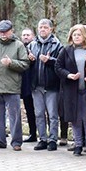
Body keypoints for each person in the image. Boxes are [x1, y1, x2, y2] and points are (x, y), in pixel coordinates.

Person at [0, 20, 29, 150]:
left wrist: (11, 63)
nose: (3, 34)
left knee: (14, 116)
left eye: (5, 32)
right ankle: (0, 141)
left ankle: (16, 142)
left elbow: (25, 64)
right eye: (1, 32)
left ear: (11, 31)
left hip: (12, 86)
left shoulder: (19, 45)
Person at [56, 24, 86, 156]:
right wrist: (68, 75)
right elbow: (58, 67)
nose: (76, 37)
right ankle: (78, 144)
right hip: (71, 90)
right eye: (74, 35)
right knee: (75, 118)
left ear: (85, 35)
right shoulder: (66, 50)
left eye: (79, 34)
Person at [29, 18, 62, 151]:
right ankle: (42, 138)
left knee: (53, 114)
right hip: (36, 85)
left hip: (51, 85)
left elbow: (61, 63)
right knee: (39, 114)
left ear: (50, 29)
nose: (42, 29)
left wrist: (50, 60)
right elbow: (27, 62)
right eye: (40, 27)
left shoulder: (57, 44)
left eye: (45, 27)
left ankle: (53, 139)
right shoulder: (32, 45)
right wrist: (30, 60)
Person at [19, 27, 38, 142]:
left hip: (38, 84)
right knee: (29, 110)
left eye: (28, 35)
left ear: (33, 36)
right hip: (25, 85)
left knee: (42, 111)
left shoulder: (36, 47)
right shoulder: (20, 48)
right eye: (24, 35)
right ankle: (33, 133)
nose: (26, 37)